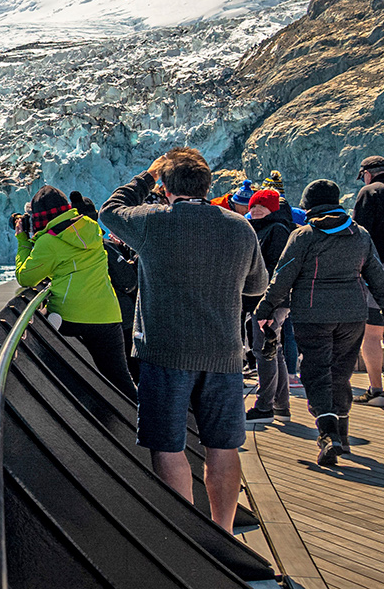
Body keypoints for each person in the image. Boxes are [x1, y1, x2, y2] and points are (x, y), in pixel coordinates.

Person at [100, 148, 267, 533]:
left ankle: (184, 535)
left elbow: (110, 210)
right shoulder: (239, 226)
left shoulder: (153, 222)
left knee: (169, 445)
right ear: (207, 185)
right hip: (224, 354)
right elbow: (257, 284)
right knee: (223, 447)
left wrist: (146, 176)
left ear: (165, 186)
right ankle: (222, 534)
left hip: (165, 351)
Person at [253, 179, 384, 466]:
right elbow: (377, 275)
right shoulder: (360, 234)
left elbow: (282, 276)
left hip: (313, 316)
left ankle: (328, 434)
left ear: (308, 205)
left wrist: (265, 306)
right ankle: (343, 435)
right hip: (353, 315)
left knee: (316, 373)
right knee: (341, 373)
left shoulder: (304, 236)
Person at [14, 185, 134, 397]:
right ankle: (148, 424)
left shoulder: (48, 242)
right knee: (122, 383)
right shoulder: (90, 227)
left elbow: (26, 277)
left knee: (32, 333)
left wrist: (23, 240)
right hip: (108, 315)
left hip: (71, 317)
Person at [243, 188, 293, 422]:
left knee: (264, 352)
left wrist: (269, 305)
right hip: (265, 300)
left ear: (272, 209)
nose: (255, 211)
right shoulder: (262, 229)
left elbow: (276, 270)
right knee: (274, 350)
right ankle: (281, 404)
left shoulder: (277, 230)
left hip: (269, 301)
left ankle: (264, 406)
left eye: (261, 207)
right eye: (253, 206)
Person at [351, 154, 384, 406]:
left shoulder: (369, 192)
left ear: (368, 173)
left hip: (377, 273)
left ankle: (376, 390)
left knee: (372, 334)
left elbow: (359, 235)